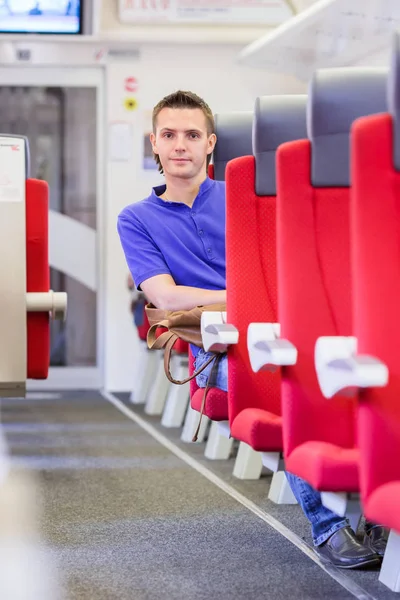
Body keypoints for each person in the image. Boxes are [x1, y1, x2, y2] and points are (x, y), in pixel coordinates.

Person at [117, 90, 388, 569]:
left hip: (287, 332)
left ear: (210, 144)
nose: (181, 145)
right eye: (169, 135)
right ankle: (328, 528)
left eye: (193, 135)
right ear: (154, 144)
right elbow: (166, 298)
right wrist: (246, 299)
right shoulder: (136, 219)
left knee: (365, 380)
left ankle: (378, 509)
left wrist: (219, 294)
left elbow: (294, 278)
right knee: (286, 384)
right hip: (214, 350)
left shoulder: (247, 197)